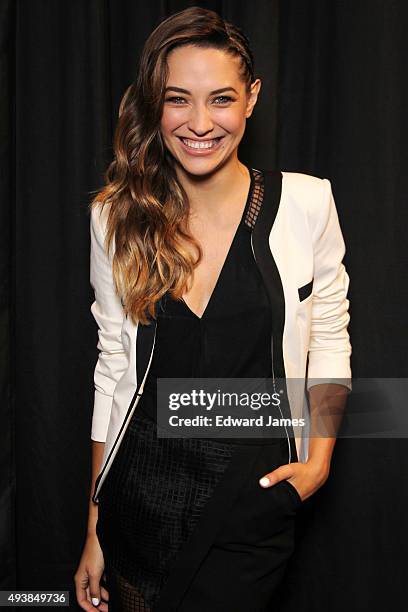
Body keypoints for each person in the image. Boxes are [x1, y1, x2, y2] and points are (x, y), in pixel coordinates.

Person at [74, 6, 352, 612]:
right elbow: (112, 369)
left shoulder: (306, 203)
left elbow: (330, 331)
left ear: (251, 99)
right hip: (139, 502)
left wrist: (320, 460)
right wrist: (95, 529)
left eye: (220, 99)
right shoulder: (116, 218)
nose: (200, 123)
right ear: (156, 104)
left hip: (252, 500)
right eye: (179, 99)